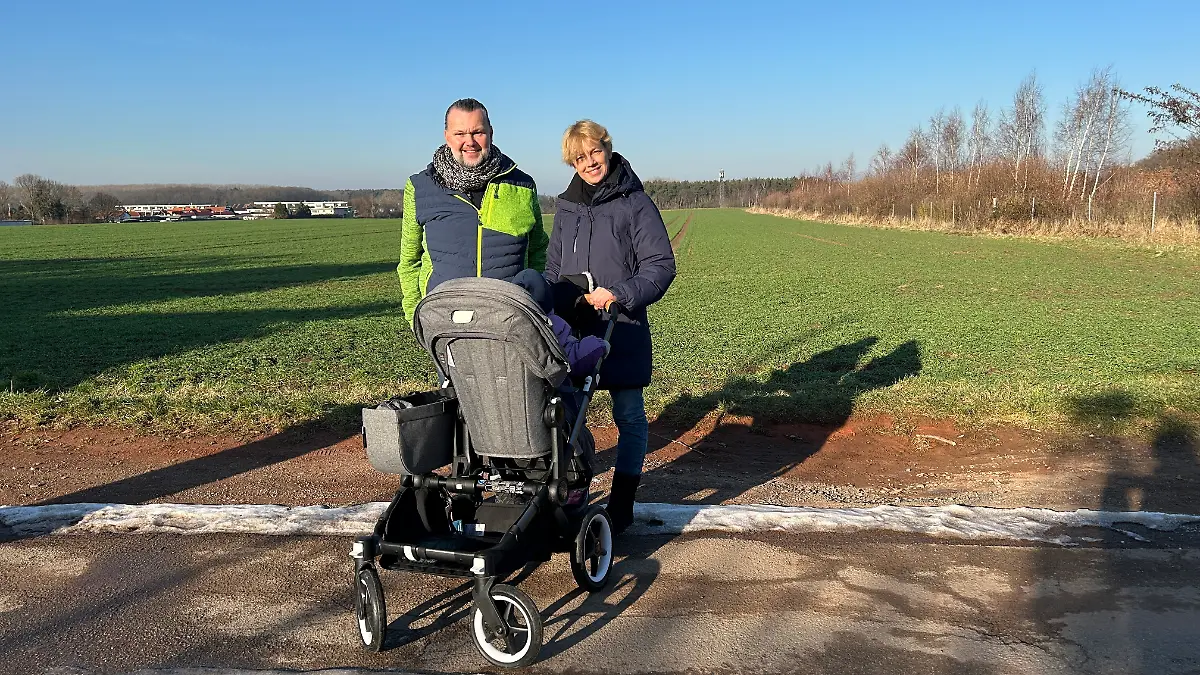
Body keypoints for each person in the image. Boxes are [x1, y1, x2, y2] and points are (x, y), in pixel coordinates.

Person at [546, 120, 676, 533]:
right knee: (565, 419)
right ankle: (571, 495)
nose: (589, 163)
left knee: (629, 416)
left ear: (607, 147)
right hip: (572, 328)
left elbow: (661, 266)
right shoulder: (565, 206)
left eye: (594, 152)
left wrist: (618, 293)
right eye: (579, 158)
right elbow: (552, 267)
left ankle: (621, 504)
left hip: (621, 327)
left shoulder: (635, 203)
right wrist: (552, 302)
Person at [398, 98, 549, 326]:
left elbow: (538, 251)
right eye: (460, 134)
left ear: (490, 133)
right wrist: (415, 318)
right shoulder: (420, 187)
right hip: (445, 322)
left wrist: (535, 305)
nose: (469, 142)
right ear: (447, 136)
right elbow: (409, 261)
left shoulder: (522, 185)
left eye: (478, 132)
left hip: (511, 322)